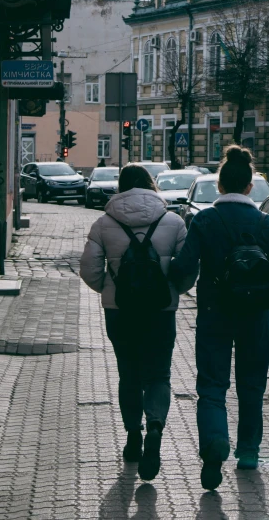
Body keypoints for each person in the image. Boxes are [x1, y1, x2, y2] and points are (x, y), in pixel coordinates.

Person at [169, 145, 269, 490]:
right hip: (256, 317)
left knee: (212, 386)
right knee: (252, 385)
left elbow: (183, 268)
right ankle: (249, 452)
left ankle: (214, 444)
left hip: (213, 314)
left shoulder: (205, 220)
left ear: (220, 186)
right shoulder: (265, 222)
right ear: (250, 187)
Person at [79, 163, 187, 480]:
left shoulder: (103, 224)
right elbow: (187, 270)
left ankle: (132, 437)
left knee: (129, 373)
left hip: (120, 312)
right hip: (160, 312)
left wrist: (108, 289)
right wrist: (173, 289)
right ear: (150, 185)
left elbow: (88, 268)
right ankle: (155, 425)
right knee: (158, 374)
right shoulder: (174, 222)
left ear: (120, 187)